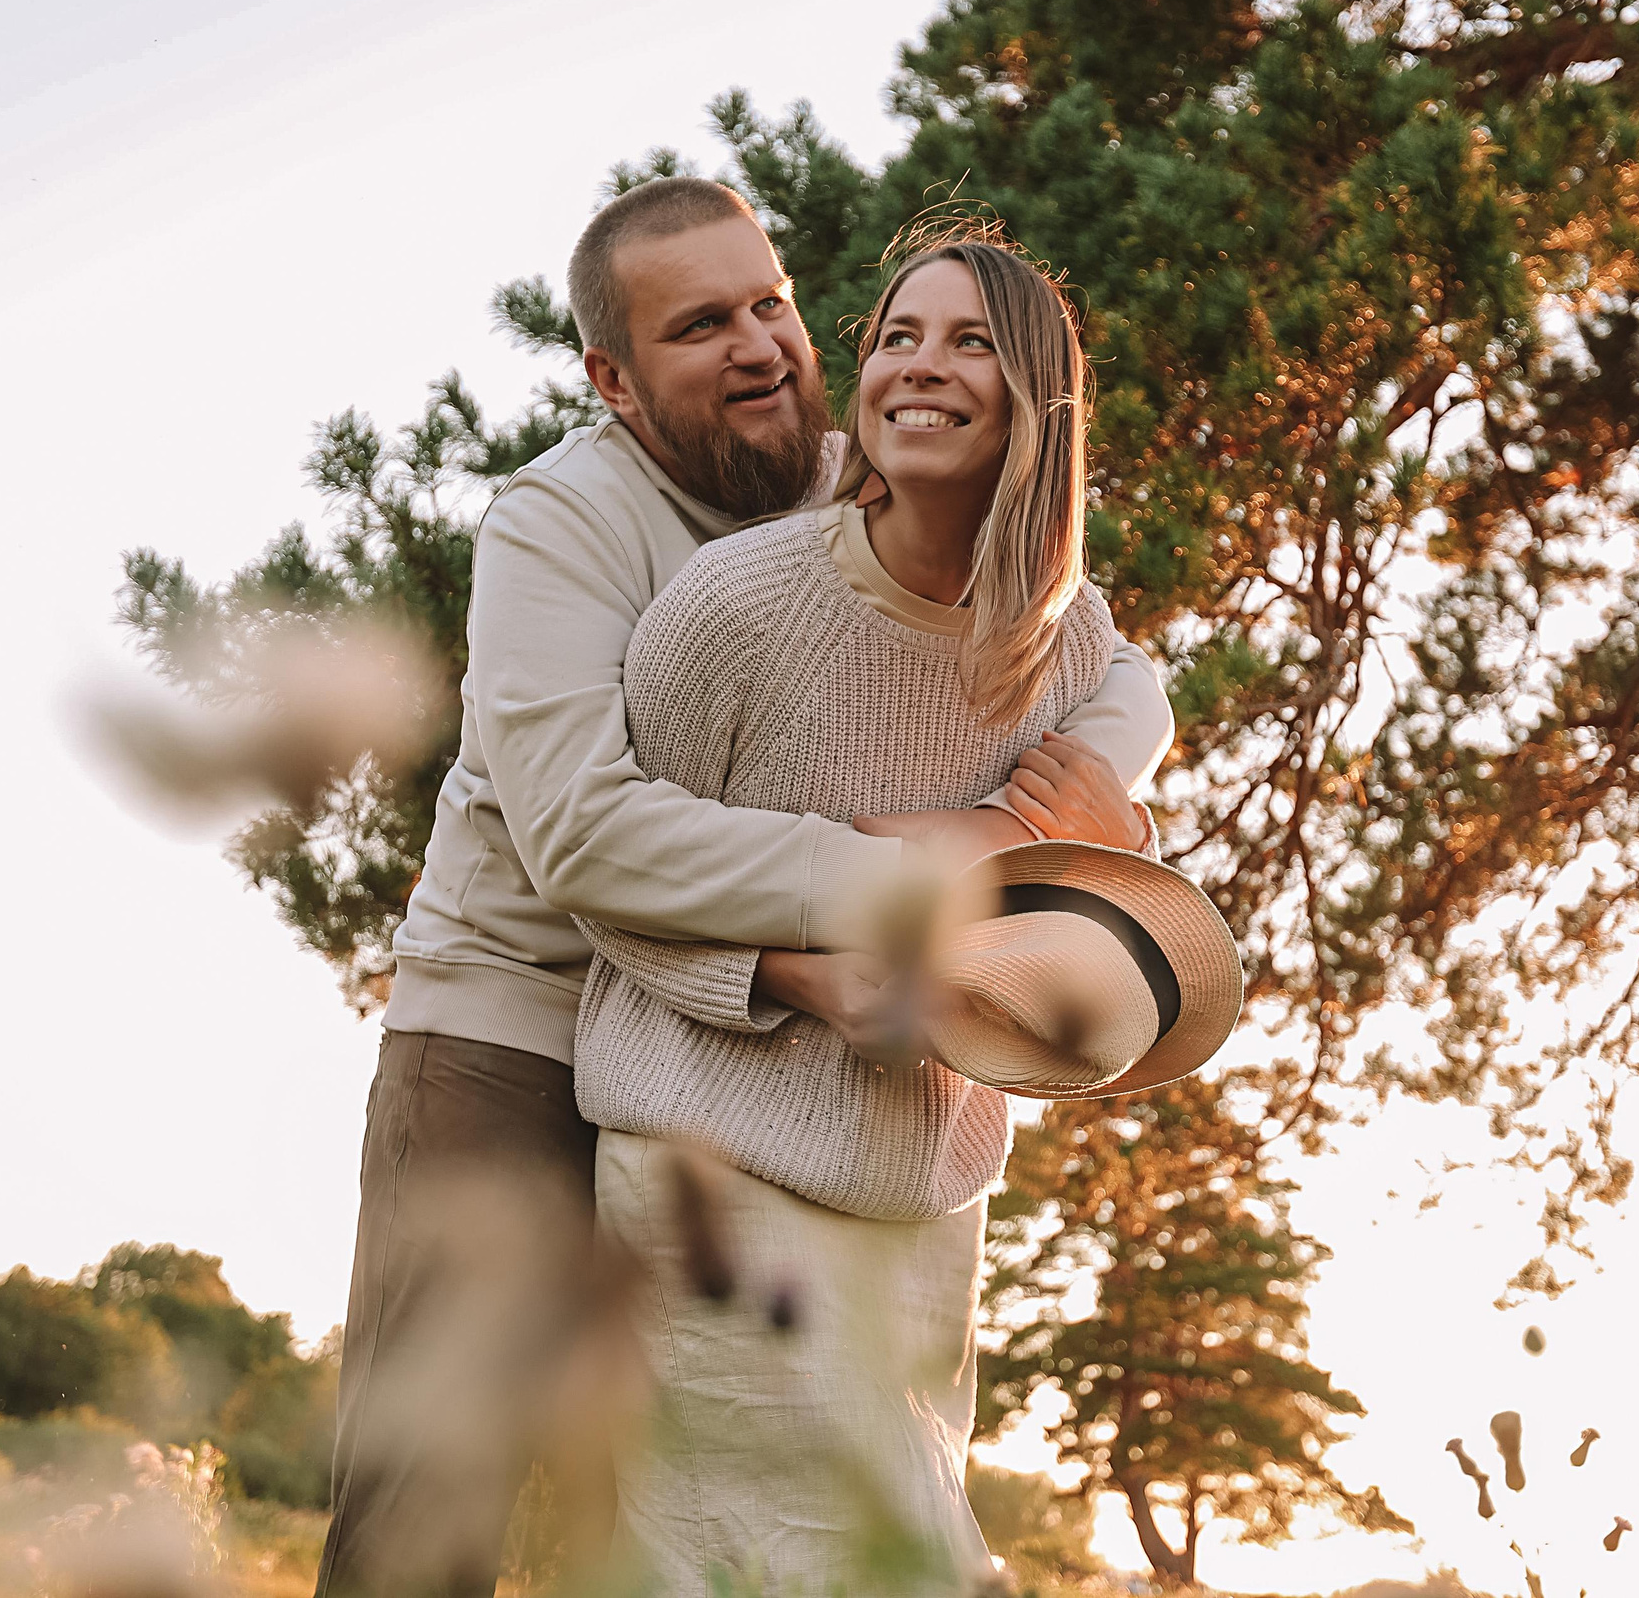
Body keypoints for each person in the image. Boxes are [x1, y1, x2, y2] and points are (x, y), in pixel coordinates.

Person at [314, 180, 1177, 1598]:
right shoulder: (562, 521)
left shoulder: (869, 476)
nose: (760, 344)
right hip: (510, 1029)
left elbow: (1108, 659)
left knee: (656, 1516)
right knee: (433, 1498)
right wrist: (899, 871)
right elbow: (586, 835)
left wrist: (1038, 805)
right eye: (701, 324)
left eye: (770, 301)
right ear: (614, 377)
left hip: (736, 1060)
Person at [572, 231, 1246, 1596]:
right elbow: (600, 874)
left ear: (1036, 403)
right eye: (895, 337)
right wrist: (793, 975)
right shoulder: (738, 607)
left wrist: (1117, 832)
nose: (920, 368)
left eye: (971, 342)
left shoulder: (1066, 647)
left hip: (925, 1199)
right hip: (713, 1169)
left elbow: (1065, 872)